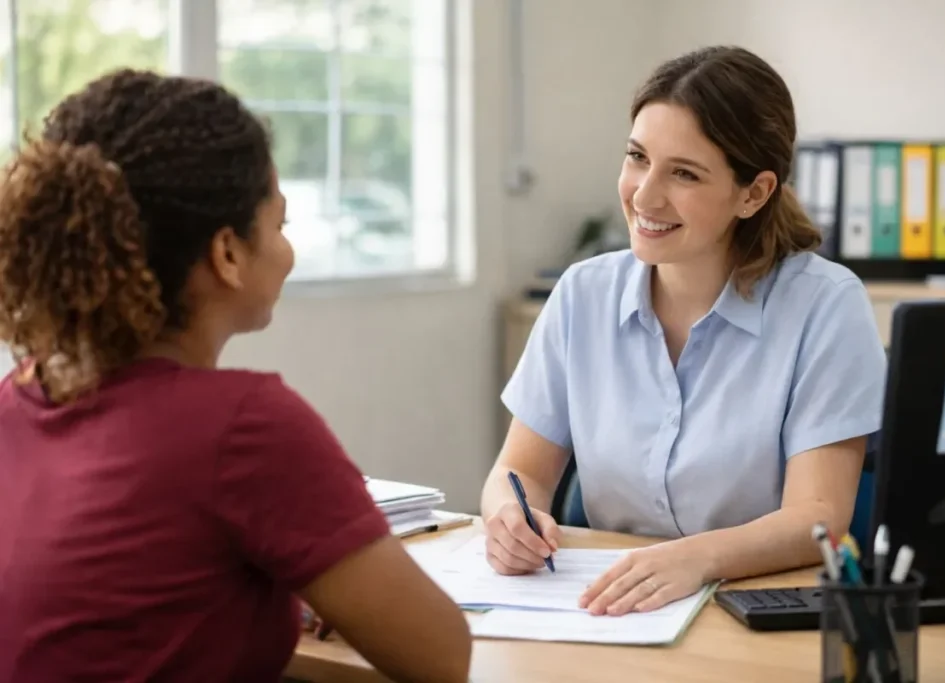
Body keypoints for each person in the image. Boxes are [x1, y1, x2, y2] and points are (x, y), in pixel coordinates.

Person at [0, 70, 470, 683]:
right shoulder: (245, 427)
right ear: (226, 254)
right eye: (280, 224)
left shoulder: (20, 395)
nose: (287, 249)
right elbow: (441, 658)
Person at [481, 46, 887, 617]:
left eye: (684, 173)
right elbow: (518, 471)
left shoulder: (825, 305)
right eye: (637, 157)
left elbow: (816, 518)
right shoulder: (582, 294)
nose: (644, 195)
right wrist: (508, 517)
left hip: (756, 615)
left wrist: (693, 559)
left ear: (754, 193)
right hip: (609, 611)